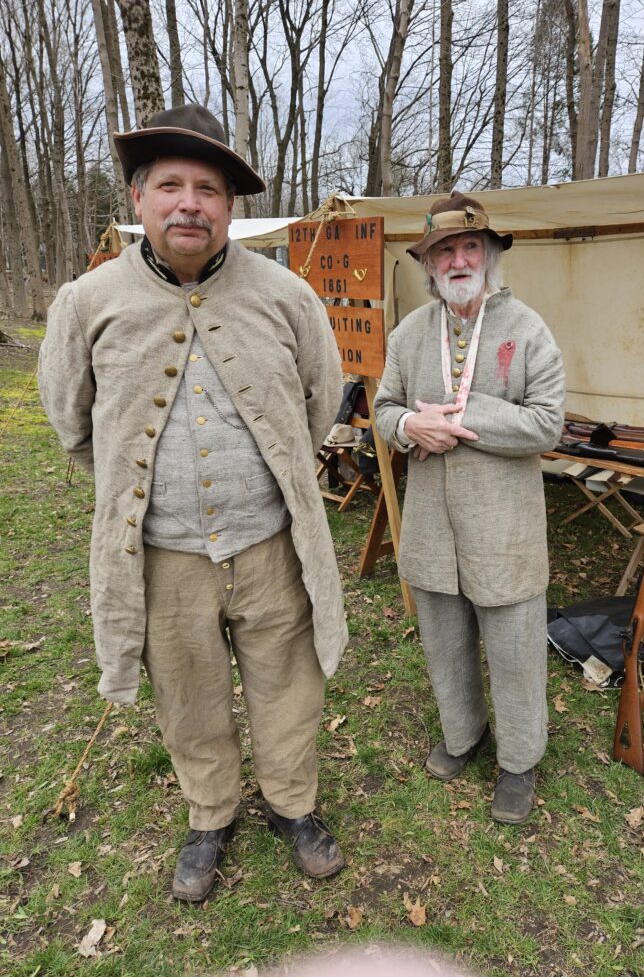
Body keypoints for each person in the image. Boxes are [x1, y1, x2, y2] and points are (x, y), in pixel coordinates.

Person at [38, 104, 348, 901]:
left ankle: (293, 806)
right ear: (138, 199)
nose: (189, 204)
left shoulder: (286, 294)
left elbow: (322, 401)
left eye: (207, 189)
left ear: (229, 206)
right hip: (165, 559)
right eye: (169, 185)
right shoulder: (86, 301)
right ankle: (210, 814)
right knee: (188, 695)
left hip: (271, 546)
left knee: (289, 685)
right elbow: (72, 425)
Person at [374, 190, 565, 824]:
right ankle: (463, 737)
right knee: (444, 640)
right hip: (432, 524)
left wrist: (465, 415)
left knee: (512, 646)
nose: (458, 260)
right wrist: (408, 428)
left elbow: (547, 426)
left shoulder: (527, 328)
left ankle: (519, 760)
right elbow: (380, 411)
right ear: (428, 266)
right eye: (443, 251)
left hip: (504, 527)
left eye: (469, 247)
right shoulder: (408, 333)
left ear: (489, 255)